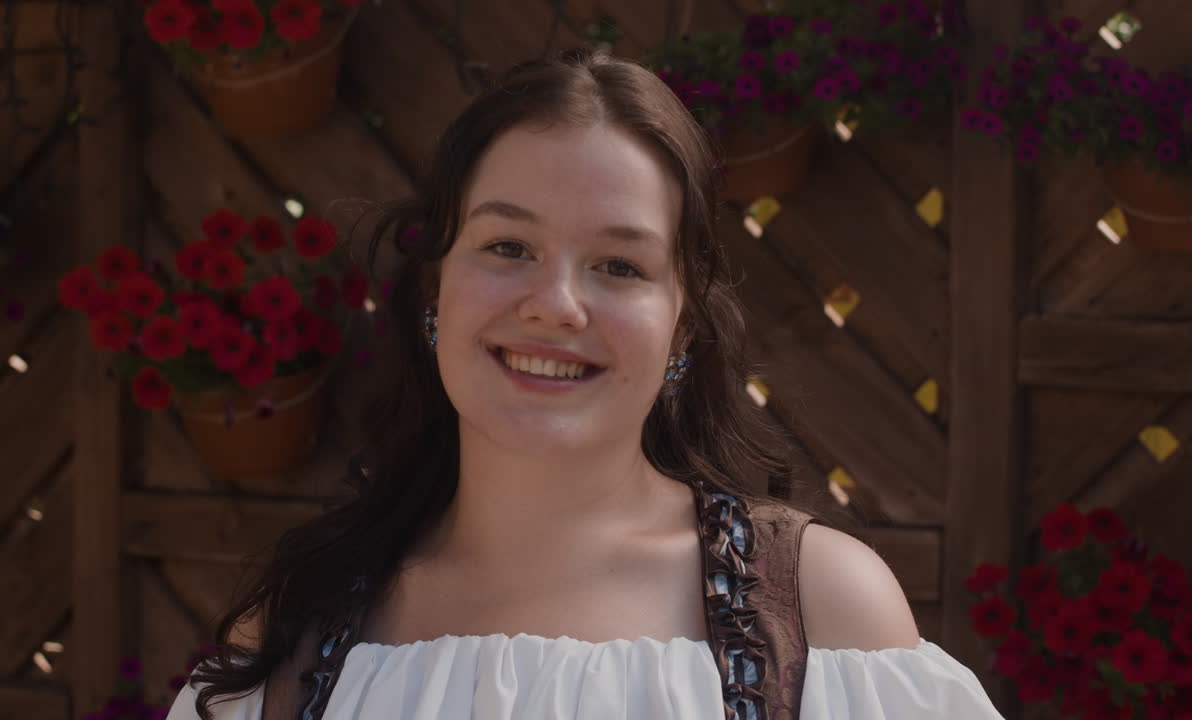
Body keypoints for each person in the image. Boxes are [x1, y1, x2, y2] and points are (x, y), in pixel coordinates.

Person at [166, 48, 1005, 720]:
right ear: (434, 292)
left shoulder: (823, 615)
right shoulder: (294, 637)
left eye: (618, 264)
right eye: (508, 248)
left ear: (681, 325)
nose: (556, 306)